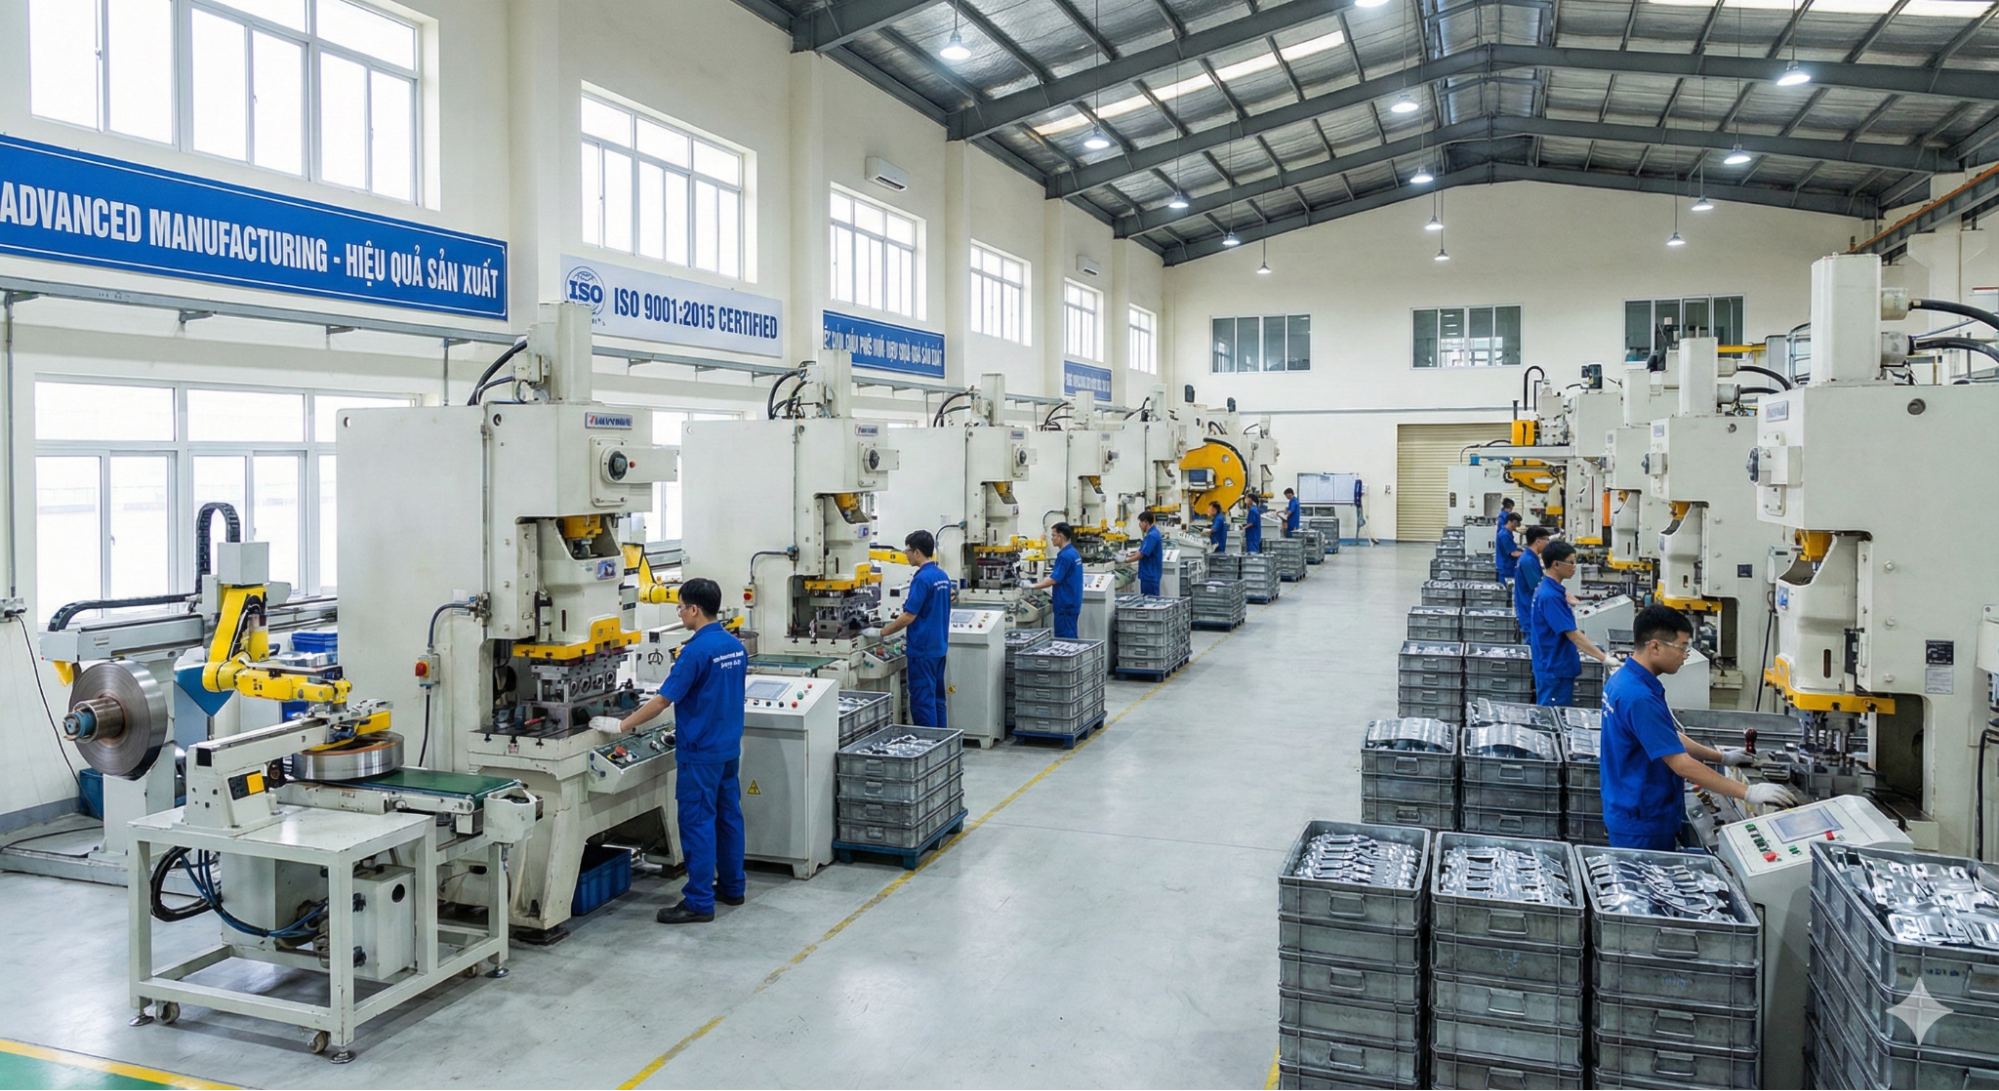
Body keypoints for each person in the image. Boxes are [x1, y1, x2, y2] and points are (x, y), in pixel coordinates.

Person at [596, 578, 746, 924]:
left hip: (700, 753)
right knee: (729, 818)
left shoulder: (695, 651)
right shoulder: (734, 645)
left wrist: (621, 726)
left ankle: (699, 902)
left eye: (680, 608)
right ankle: (732, 887)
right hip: (727, 748)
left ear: (694, 609)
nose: (679, 614)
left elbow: (662, 701)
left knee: (698, 823)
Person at [1601, 605, 1800, 849]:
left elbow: (1667, 737)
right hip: (1642, 822)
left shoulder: (1623, 680)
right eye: (1682, 647)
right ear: (1655, 646)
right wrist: (1748, 792)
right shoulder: (1639, 697)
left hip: (1631, 808)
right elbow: (1682, 765)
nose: (1685, 655)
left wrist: (1722, 757)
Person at [872, 531, 949, 728]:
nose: (905, 554)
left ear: (917, 552)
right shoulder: (942, 576)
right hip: (939, 648)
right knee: (937, 699)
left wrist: (882, 632)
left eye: (906, 550)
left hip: (922, 650)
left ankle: (927, 743)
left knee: (923, 702)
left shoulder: (922, 579)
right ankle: (941, 741)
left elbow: (909, 615)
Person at [1527, 540, 1613, 706]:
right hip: (1554, 668)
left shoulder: (1550, 589)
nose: (1575, 567)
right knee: (1553, 716)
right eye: (1571, 562)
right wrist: (1604, 658)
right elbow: (1573, 635)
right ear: (1556, 564)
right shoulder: (1550, 597)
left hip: (1553, 664)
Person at [1031, 522, 1085, 639]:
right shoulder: (1073, 553)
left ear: (1061, 537)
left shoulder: (1064, 556)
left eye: (1053, 535)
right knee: (1071, 634)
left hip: (1065, 605)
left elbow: (1054, 580)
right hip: (1072, 601)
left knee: (1064, 639)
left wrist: (1032, 586)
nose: (1051, 538)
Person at [1513, 526, 1551, 638]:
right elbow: (1538, 588)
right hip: (1529, 609)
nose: (1548, 543)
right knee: (1533, 641)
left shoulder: (1529, 557)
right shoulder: (1528, 561)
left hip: (1527, 607)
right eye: (1547, 540)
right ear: (1538, 542)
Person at [1125, 511, 1164, 597]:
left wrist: (1125, 561)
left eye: (1140, 522)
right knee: (1148, 600)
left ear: (1146, 522)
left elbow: (1141, 554)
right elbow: (1139, 552)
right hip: (1149, 575)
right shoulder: (1152, 533)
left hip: (1150, 575)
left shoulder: (1152, 536)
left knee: (1150, 601)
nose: (1140, 525)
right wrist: (1126, 556)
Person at [1495, 512, 1523, 583]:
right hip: (1506, 568)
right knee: (1507, 588)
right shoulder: (1504, 535)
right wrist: (1529, 553)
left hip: (1509, 567)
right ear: (1509, 522)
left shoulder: (1507, 533)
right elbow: (1513, 553)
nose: (1516, 525)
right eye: (1515, 523)